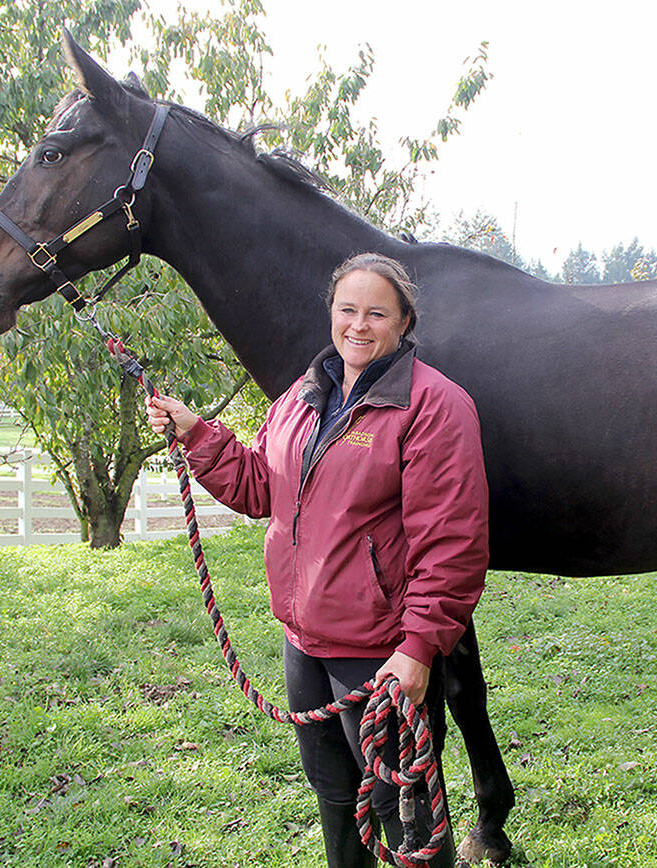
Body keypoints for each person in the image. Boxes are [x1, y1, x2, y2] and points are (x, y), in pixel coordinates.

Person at [146, 252, 488, 868]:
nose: (359, 325)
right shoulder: (300, 401)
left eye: (376, 312)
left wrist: (417, 648)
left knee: (400, 807)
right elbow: (260, 487)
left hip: (377, 645)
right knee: (334, 794)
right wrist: (198, 433)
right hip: (302, 640)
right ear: (330, 314)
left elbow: (452, 542)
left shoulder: (434, 406)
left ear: (404, 321)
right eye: (347, 309)